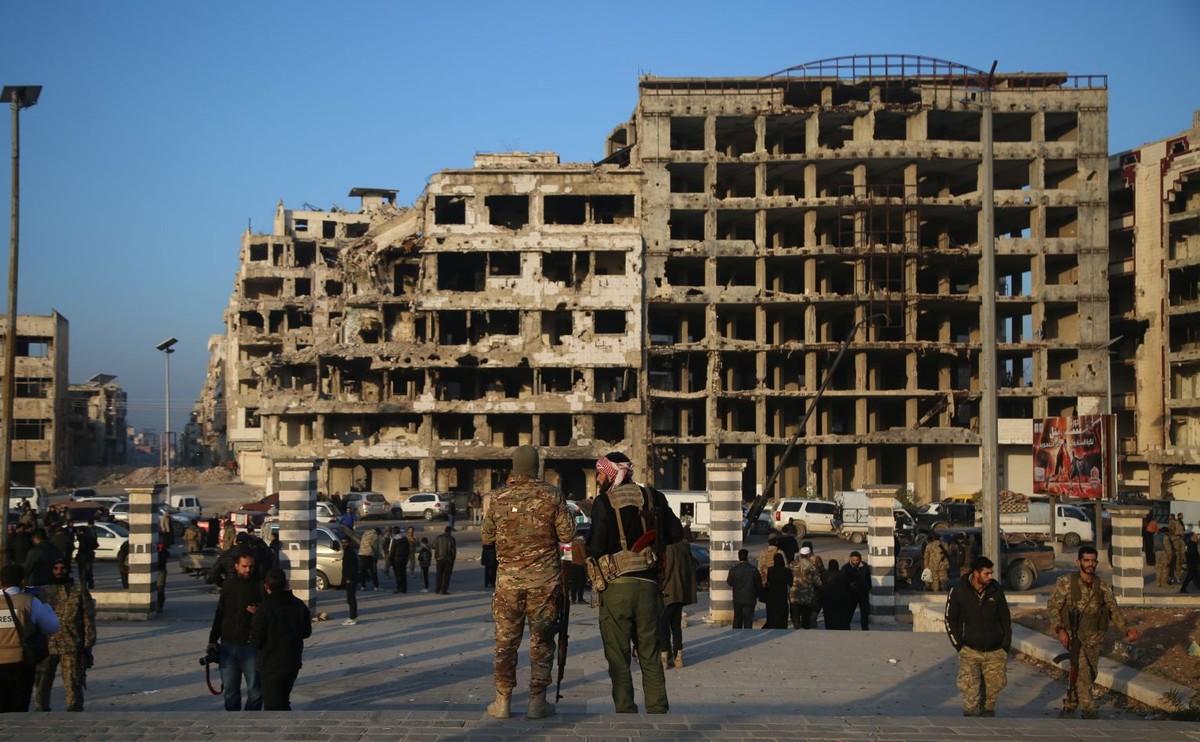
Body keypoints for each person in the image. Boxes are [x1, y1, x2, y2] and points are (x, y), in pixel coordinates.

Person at [481, 444, 575, 719]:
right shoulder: (552, 495)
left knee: (505, 643)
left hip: (508, 584)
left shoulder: (498, 497)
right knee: (542, 641)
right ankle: (537, 702)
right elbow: (567, 534)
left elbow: (486, 537)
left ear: (513, 467)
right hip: (544, 583)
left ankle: (502, 702)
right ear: (537, 467)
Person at [586, 451, 682, 714]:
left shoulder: (604, 502)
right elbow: (676, 532)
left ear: (611, 474)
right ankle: (658, 708)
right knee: (650, 652)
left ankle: (626, 709)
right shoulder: (652, 496)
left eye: (600, 473)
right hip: (648, 586)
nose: (597, 478)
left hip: (617, 588)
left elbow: (595, 547)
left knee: (618, 655)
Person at [1047, 546, 1140, 719]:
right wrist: (1060, 630)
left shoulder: (1102, 586)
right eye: (1086, 560)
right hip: (1074, 635)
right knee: (1082, 670)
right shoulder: (1066, 583)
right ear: (1078, 562)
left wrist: (1127, 629)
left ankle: (1071, 704)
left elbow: (1114, 611)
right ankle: (1089, 711)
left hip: (1095, 637)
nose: (1090, 564)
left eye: (1093, 561)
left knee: (1090, 673)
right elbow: (1053, 607)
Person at [946, 555, 1010, 717]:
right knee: (971, 693)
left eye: (991, 573)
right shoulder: (959, 591)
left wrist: (1005, 645)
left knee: (991, 695)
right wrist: (958, 645)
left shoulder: (996, 590)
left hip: (995, 650)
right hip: (969, 649)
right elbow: (950, 619)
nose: (990, 577)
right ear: (975, 573)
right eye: (986, 573)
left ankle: (987, 723)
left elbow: (1005, 618)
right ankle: (970, 724)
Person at [33, 558, 95, 712]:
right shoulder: (41, 592)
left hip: (71, 645)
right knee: (41, 683)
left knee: (73, 682)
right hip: (46, 646)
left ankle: (74, 712)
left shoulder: (78, 591)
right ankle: (41, 712)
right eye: (56, 568)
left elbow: (88, 618)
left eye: (62, 568)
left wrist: (88, 645)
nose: (59, 572)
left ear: (68, 570)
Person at [207, 553, 265, 711]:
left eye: (251, 566)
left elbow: (269, 613)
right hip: (228, 646)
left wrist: (259, 612)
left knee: (255, 691)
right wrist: (212, 640)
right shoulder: (229, 585)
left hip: (251, 647)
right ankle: (232, 720)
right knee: (230, 691)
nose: (248, 570)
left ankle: (249, 720)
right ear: (237, 566)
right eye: (244, 566)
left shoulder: (261, 585)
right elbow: (220, 613)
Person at [248, 568, 312, 711]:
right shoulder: (298, 605)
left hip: (271, 664)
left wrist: (256, 618)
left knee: (273, 705)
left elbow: (256, 640)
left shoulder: (265, 608)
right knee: (283, 699)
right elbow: (306, 632)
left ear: (266, 586)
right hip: (292, 662)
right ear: (286, 583)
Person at [1, 564, 60, 713]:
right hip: (20, 662)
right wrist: (45, 604)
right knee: (19, 707)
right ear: (22, 582)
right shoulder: (29, 602)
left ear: (1, 582)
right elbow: (52, 627)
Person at [658, 535, 697, 669]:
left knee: (662, 622)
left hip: (670, 592)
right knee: (676, 625)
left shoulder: (670, 548)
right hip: (681, 593)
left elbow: (667, 570)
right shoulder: (686, 549)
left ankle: (664, 656)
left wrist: (661, 586)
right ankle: (678, 657)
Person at [788, 544, 823, 630]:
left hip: (794, 594)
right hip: (807, 596)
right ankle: (805, 629)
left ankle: (797, 628)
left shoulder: (792, 564)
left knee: (795, 614)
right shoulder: (812, 567)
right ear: (808, 554)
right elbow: (817, 581)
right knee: (806, 615)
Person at [726, 549, 760, 629]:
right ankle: (747, 634)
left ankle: (736, 633)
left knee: (737, 618)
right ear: (747, 557)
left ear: (739, 557)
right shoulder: (753, 569)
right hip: (750, 598)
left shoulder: (733, 570)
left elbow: (729, 582)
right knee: (748, 620)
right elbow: (758, 584)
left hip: (737, 598)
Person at [843, 551, 871, 630]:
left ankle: (865, 628)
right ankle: (846, 628)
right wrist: (850, 586)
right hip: (851, 594)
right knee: (848, 612)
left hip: (863, 593)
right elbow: (843, 581)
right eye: (853, 560)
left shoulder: (865, 566)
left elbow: (868, 580)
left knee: (865, 612)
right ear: (850, 559)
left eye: (857, 560)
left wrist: (866, 588)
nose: (855, 562)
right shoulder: (846, 568)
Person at [763, 553, 792, 629]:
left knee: (772, 616)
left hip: (771, 596)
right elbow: (791, 583)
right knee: (782, 616)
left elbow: (765, 582)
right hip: (782, 596)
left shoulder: (770, 570)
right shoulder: (786, 571)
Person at [821, 558, 852, 630]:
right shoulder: (842, 574)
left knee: (829, 618)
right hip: (841, 600)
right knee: (841, 617)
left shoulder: (825, 575)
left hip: (828, 600)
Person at [340, 535, 359, 625]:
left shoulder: (350, 553)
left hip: (351, 579)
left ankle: (352, 617)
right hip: (348, 579)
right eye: (342, 543)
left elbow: (351, 568)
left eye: (345, 542)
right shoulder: (347, 552)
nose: (343, 544)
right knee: (350, 599)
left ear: (349, 543)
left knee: (351, 599)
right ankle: (353, 617)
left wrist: (349, 579)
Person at [433, 526, 457, 595]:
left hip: (439, 558)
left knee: (439, 574)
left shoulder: (438, 537)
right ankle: (444, 590)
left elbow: (433, 546)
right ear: (450, 531)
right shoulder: (451, 539)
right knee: (446, 575)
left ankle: (437, 589)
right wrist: (453, 559)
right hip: (448, 559)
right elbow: (453, 550)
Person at [74, 524, 97, 591]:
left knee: (82, 572)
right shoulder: (90, 537)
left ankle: (83, 585)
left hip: (83, 557)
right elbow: (96, 545)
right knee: (89, 571)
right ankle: (91, 585)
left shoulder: (82, 538)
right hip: (89, 556)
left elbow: (82, 547)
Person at [387, 527, 410, 593]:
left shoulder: (394, 539)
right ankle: (404, 588)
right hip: (404, 559)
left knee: (398, 574)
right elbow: (408, 549)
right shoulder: (405, 538)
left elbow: (392, 551)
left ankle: (399, 588)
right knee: (403, 574)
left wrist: (389, 559)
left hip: (396, 559)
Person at [567, 536, 586, 603]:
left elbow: (565, 555)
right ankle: (580, 598)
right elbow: (583, 555)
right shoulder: (580, 543)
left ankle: (573, 598)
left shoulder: (569, 543)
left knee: (573, 582)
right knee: (581, 582)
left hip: (571, 564)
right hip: (579, 564)